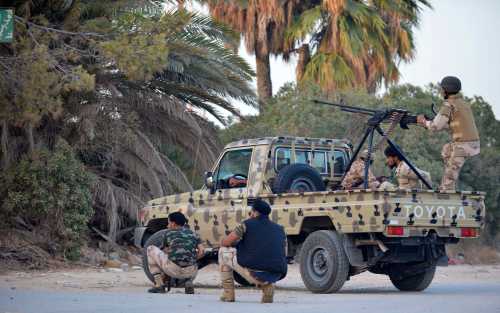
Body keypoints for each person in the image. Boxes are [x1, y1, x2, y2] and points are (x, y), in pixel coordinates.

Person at [218, 199, 287, 303]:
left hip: (254, 273)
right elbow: (282, 252)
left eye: (251, 211)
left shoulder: (246, 225)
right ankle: (268, 285)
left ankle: (228, 294)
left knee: (223, 251)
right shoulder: (280, 228)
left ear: (255, 212)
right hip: (276, 274)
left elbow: (226, 243)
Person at [417, 76, 480, 190]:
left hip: (463, 144)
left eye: (442, 89)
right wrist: (430, 123)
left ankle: (446, 192)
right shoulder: (463, 104)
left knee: (450, 173)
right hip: (470, 143)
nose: (441, 92)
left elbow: (435, 127)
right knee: (446, 150)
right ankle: (448, 187)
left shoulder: (449, 105)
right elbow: (453, 124)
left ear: (446, 90)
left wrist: (424, 122)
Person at [146, 212, 204, 294]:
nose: (167, 225)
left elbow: (165, 251)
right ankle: (189, 281)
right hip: (191, 271)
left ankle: (159, 284)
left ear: (173, 224)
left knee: (150, 249)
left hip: (173, 270)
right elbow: (202, 251)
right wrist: (193, 259)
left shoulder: (168, 233)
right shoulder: (194, 234)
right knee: (190, 259)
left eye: (168, 223)